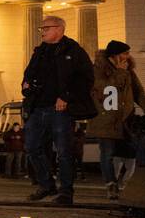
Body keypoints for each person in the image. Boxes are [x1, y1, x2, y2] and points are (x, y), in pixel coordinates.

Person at [21, 15, 95, 205]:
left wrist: (66, 97)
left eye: (46, 28)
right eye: (42, 28)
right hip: (37, 106)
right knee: (31, 147)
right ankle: (47, 185)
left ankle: (66, 192)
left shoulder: (74, 50)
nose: (42, 31)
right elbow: (29, 72)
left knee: (64, 151)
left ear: (59, 30)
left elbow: (85, 78)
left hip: (60, 108)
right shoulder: (40, 51)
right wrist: (26, 84)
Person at [86, 40, 145, 200]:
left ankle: (131, 183)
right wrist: (121, 73)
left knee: (141, 148)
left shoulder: (128, 70)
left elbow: (138, 92)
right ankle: (111, 184)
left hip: (126, 120)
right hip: (105, 119)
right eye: (124, 53)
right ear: (115, 55)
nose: (127, 56)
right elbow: (107, 89)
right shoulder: (99, 70)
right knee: (107, 153)